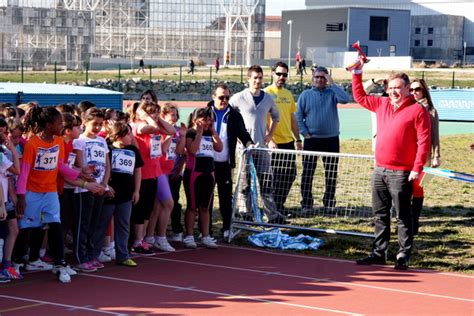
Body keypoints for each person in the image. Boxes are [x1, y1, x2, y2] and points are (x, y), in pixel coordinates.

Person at [351, 61, 431, 270]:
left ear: (407, 89)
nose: (394, 91)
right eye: (391, 87)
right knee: (379, 214)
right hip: (380, 169)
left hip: (402, 172)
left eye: (398, 88)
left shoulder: (417, 111)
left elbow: (424, 141)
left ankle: (403, 254)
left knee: (403, 215)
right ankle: (379, 253)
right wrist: (357, 73)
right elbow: (359, 96)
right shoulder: (381, 104)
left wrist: (417, 168)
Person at [17, 106, 91, 282]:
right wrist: (21, 197)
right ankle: (19, 260)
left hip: (50, 191)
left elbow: (60, 166)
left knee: (55, 224)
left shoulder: (58, 141)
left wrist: (79, 173)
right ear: (49, 125)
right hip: (32, 191)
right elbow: (25, 171)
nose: (61, 126)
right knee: (27, 227)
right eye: (58, 123)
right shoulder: (33, 144)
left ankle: (60, 263)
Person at [230, 65, 287, 224]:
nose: (257, 81)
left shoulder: (268, 98)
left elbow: (276, 117)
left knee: (266, 182)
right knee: (244, 182)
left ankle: (272, 215)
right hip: (243, 148)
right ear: (248, 79)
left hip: (261, 146)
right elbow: (230, 118)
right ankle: (245, 212)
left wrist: (270, 135)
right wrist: (235, 137)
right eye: (254, 77)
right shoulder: (238, 98)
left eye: (260, 78)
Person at [295, 66, 349, 212]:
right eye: (317, 77)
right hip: (312, 140)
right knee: (308, 172)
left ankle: (329, 202)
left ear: (327, 80)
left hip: (331, 139)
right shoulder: (305, 95)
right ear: (312, 79)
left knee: (331, 172)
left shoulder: (332, 93)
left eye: (323, 77)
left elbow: (346, 99)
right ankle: (306, 203)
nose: (319, 80)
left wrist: (332, 83)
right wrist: (304, 133)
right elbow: (298, 116)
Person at [207, 83, 253, 238]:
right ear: (213, 97)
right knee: (206, 198)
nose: (224, 100)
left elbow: (243, 133)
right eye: (221, 97)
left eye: (227, 97)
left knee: (226, 199)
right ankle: (205, 231)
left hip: (225, 164)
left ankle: (226, 228)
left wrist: (250, 144)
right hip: (207, 164)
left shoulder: (234, 114)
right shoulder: (205, 113)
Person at [73, 107, 113, 272]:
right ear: (85, 122)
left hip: (100, 188)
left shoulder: (102, 141)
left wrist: (104, 183)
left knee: (95, 224)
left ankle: (90, 255)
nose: (97, 127)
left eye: (100, 124)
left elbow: (107, 165)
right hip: (85, 189)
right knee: (83, 224)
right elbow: (79, 165)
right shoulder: (79, 141)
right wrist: (91, 183)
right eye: (94, 124)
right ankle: (80, 257)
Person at [100, 122, 144, 267]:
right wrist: (105, 187)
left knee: (123, 225)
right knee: (101, 224)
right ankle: (92, 254)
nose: (131, 137)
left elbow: (138, 171)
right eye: (128, 134)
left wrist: (137, 191)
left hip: (126, 195)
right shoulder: (108, 149)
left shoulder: (133, 150)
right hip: (109, 195)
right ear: (118, 137)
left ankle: (123, 255)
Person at [264, 62, 302, 215]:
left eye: (284, 74)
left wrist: (298, 139)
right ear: (272, 74)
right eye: (279, 74)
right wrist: (270, 139)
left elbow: (292, 118)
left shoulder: (288, 94)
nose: (281, 77)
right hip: (275, 143)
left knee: (290, 174)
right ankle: (272, 209)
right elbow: (262, 119)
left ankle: (279, 205)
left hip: (288, 142)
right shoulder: (266, 93)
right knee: (275, 176)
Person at [183, 108, 223, 249]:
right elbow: (192, 150)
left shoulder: (210, 133)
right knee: (192, 206)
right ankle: (188, 235)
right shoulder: (191, 133)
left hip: (209, 173)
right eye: (205, 120)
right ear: (196, 120)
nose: (208, 122)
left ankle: (205, 235)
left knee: (205, 207)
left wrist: (213, 132)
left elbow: (219, 148)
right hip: (194, 173)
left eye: (210, 120)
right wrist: (199, 133)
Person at [409, 78, 441, 234]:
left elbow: (435, 136)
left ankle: (414, 221)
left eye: (417, 89)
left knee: (418, 188)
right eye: (411, 90)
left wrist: (437, 156)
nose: (414, 92)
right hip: (406, 154)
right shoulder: (407, 107)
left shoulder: (431, 111)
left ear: (424, 91)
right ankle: (405, 221)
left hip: (424, 157)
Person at [159, 103, 187, 242]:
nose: (175, 117)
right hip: (160, 171)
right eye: (172, 114)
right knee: (159, 203)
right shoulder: (159, 130)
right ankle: (157, 232)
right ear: (163, 116)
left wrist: (182, 137)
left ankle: (176, 230)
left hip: (174, 172)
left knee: (174, 201)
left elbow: (180, 152)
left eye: (176, 114)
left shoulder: (177, 131)